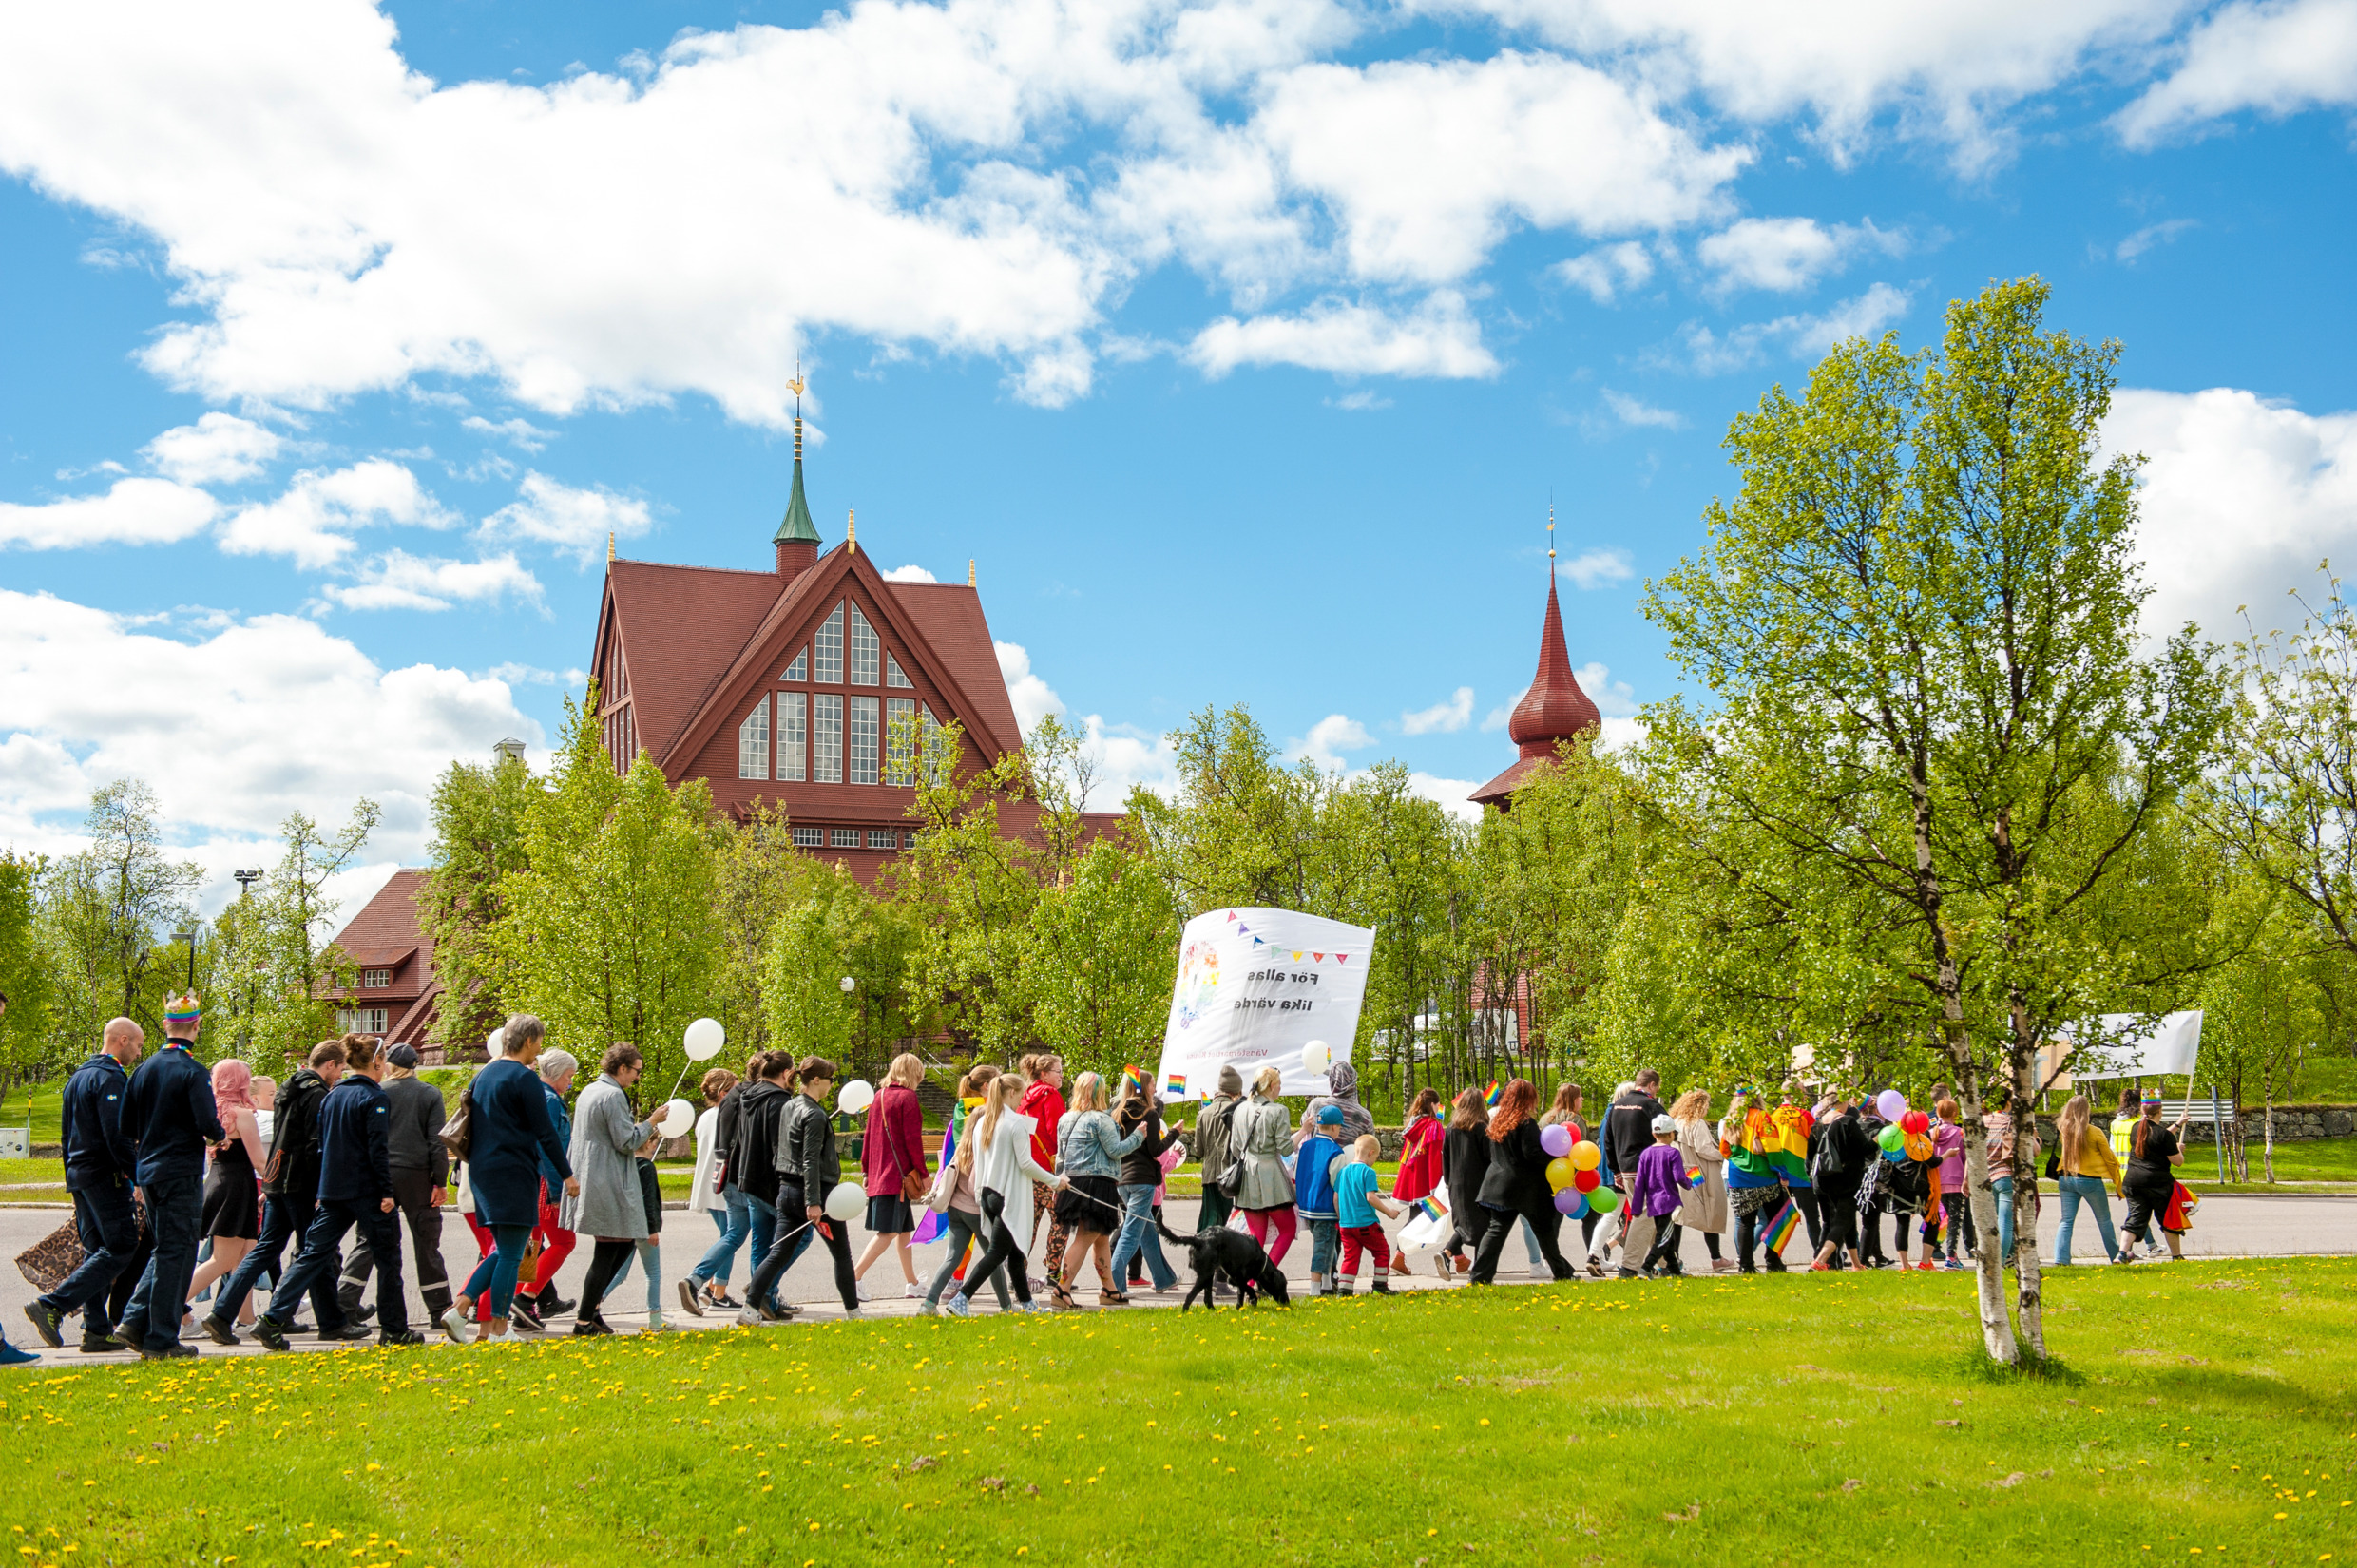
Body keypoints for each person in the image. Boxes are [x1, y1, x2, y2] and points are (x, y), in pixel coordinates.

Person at [252, 1036, 423, 1348]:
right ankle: (394, 1328)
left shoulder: (332, 1096)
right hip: (367, 1190)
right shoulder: (374, 1098)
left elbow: (322, 1146)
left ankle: (272, 1319)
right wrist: (386, 1191)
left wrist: (322, 1187)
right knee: (388, 1259)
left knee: (312, 1255)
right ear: (378, 1062)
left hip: (333, 1190)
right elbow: (377, 1150)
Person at [442, 1015, 576, 1345]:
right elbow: (546, 1135)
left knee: (500, 1251)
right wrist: (567, 1176)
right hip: (514, 1171)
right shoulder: (524, 1078)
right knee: (513, 1255)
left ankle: (462, 1312)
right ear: (529, 1041)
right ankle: (499, 1327)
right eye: (539, 1041)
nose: (540, 1049)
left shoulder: (484, 1074)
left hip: (482, 1171)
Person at [205, 1042, 351, 1343]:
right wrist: (324, 1186)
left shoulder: (288, 1088)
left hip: (277, 1179)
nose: (339, 1075)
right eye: (339, 1068)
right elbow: (315, 1145)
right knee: (316, 1249)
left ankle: (221, 1315)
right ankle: (316, 1320)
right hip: (301, 1183)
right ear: (329, 1065)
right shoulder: (316, 1094)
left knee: (266, 1249)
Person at [23, 1018, 147, 1354]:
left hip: (81, 1175)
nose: (139, 1052)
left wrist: (71, 1175)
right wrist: (137, 1175)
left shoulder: (78, 1077)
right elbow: (117, 1135)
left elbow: (66, 1135)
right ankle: (52, 1305)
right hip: (105, 1176)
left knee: (97, 1252)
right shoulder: (109, 1077)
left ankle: (96, 1329)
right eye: (137, 1045)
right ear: (122, 1040)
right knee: (120, 1247)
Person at [113, 993, 223, 1358]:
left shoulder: (142, 1070)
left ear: (165, 1026)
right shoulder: (193, 1071)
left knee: (164, 1250)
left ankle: (132, 1320)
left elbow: (126, 1125)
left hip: (150, 1171)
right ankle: (162, 1337)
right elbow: (209, 1123)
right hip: (180, 1171)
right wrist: (220, 1137)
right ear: (197, 1025)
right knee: (178, 1253)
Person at [333, 1042, 452, 1327]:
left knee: (368, 1240)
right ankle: (438, 1309)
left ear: (389, 1065)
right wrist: (440, 1181)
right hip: (418, 1175)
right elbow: (436, 1142)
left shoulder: (377, 1092)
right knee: (426, 1242)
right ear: (414, 1067)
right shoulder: (429, 1094)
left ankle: (346, 1300)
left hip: (379, 1174)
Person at [747, 1057, 863, 1319]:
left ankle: (749, 1308)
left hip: (787, 1191)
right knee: (842, 1255)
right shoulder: (813, 1113)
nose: (832, 1086)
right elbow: (810, 1159)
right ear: (817, 1080)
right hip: (816, 1194)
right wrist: (813, 1201)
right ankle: (853, 1310)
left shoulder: (790, 1105)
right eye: (830, 1080)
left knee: (777, 1254)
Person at [945, 1073, 1066, 1316]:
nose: (1022, 1099)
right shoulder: (1015, 1124)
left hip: (988, 1193)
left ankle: (1028, 1304)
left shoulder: (983, 1122)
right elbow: (1026, 1164)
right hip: (1007, 1196)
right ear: (1011, 1093)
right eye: (1020, 1095)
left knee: (1015, 1252)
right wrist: (1056, 1181)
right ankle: (962, 1297)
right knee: (997, 1254)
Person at [562, 1043, 663, 1336]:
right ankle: (583, 1321)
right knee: (607, 1252)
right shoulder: (612, 1095)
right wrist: (651, 1122)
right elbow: (626, 1141)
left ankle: (592, 1312)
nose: (637, 1077)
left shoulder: (591, 1091)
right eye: (636, 1071)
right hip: (608, 1182)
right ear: (621, 1068)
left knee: (622, 1244)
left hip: (595, 1177)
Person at [1049, 1071, 1142, 1309]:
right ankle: (1062, 1289)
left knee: (1101, 1237)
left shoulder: (1065, 1118)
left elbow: (1061, 1154)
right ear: (1100, 1093)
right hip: (1097, 1184)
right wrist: (1138, 1136)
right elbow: (1116, 1151)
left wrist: (1057, 1183)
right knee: (1085, 1237)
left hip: (1071, 1182)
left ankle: (1109, 1289)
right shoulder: (1102, 1120)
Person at [1469, 1080, 1575, 1285]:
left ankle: (1480, 1277)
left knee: (1496, 1231)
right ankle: (1562, 1272)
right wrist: (1558, 1158)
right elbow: (1532, 1154)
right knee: (1544, 1231)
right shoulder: (1526, 1123)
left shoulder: (1498, 1122)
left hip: (1499, 1185)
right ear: (1527, 1099)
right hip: (1525, 1189)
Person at [186, 1059, 268, 1322]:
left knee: (244, 1257)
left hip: (218, 1180)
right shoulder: (242, 1115)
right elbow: (259, 1160)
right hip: (237, 1186)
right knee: (222, 1259)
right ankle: (165, 1308)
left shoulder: (212, 1111)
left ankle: (245, 1319)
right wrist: (279, 1182)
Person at [729, 1054, 801, 1323]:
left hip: (748, 1179)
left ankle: (765, 1298)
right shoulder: (781, 1101)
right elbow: (780, 1147)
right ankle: (762, 1288)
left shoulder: (748, 1095)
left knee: (761, 1242)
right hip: (772, 1182)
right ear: (785, 1073)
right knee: (800, 1236)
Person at [512, 1049, 581, 1328]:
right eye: (569, 1076)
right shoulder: (551, 1101)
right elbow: (548, 1147)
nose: (571, 1083)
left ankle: (520, 1303)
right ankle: (526, 1299)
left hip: (530, 1179)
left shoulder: (535, 1095)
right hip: (547, 1181)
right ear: (555, 1074)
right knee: (565, 1242)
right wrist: (557, 1189)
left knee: (532, 1244)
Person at [853, 1053, 931, 1302]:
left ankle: (912, 1283)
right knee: (887, 1232)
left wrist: (866, 1169)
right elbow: (912, 1141)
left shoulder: (880, 1095)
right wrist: (924, 1173)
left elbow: (869, 1135)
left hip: (880, 1173)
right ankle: (853, 1279)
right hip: (897, 1178)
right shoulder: (908, 1098)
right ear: (914, 1073)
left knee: (903, 1231)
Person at [1107, 1078, 1185, 1296]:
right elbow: (1155, 1150)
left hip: (1123, 1180)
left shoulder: (1117, 1112)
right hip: (1142, 1181)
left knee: (1147, 1231)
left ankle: (1163, 1279)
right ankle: (1115, 1285)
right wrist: (1175, 1133)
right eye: (1152, 1084)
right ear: (1143, 1088)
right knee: (1132, 1233)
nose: (1155, 1088)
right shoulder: (1149, 1114)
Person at [681, 1066, 745, 1315]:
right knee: (731, 1238)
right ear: (723, 1093)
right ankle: (716, 1291)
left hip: (709, 1183)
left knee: (727, 1236)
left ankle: (712, 1287)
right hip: (723, 1184)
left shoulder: (706, 1117)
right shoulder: (727, 1115)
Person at [1230, 1066, 1299, 1266]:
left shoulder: (1240, 1109)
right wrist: (1303, 1133)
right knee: (1288, 1229)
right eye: (1279, 1085)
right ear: (1271, 1086)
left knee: (1256, 1235)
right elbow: (1286, 1149)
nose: (1280, 1089)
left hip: (1247, 1179)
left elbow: (1235, 1148)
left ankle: (1250, 1282)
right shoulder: (1278, 1111)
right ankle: (1267, 1275)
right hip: (1272, 1178)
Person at [2117, 1090, 2191, 1263]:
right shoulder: (2164, 1136)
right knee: (2168, 1218)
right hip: (2157, 1183)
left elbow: (2157, 1135)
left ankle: (2121, 1254)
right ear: (2160, 1111)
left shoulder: (2137, 1128)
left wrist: (2177, 1124)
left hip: (2133, 1181)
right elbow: (2178, 1161)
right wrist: (2178, 1149)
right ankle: (2177, 1256)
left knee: (2136, 1217)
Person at [2051, 1092, 2122, 1266]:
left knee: (2066, 1220)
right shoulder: (2095, 1132)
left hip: (2066, 1178)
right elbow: (2110, 1159)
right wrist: (2118, 1184)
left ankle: (2061, 1259)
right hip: (2090, 1180)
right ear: (2087, 1111)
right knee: (2104, 1220)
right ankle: (2116, 1256)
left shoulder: (2064, 1129)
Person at [1017, 1054, 1067, 1282]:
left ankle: (1019, 1271)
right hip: (1047, 1170)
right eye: (1058, 1071)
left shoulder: (1024, 1097)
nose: (1062, 1075)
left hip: (1026, 1169)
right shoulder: (1051, 1095)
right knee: (1061, 1221)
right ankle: (1053, 1271)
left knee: (1028, 1225)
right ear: (1044, 1074)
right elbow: (1057, 1132)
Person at [1668, 1088, 1729, 1273]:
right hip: (1698, 1172)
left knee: (1678, 1216)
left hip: (1680, 1171)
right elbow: (1704, 1149)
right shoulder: (1697, 1124)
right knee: (1710, 1209)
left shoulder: (1675, 1122)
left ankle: (1675, 1257)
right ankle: (1716, 1257)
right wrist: (1723, 1155)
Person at [1333, 1134, 1403, 1294]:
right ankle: (1380, 1286)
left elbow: (1336, 1198)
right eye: (1376, 1157)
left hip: (1346, 1225)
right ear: (1371, 1153)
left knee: (1350, 1257)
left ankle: (1344, 1290)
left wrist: (1340, 1217)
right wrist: (1389, 1212)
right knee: (1382, 1251)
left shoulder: (1343, 1172)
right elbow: (1370, 1197)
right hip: (1366, 1224)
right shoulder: (1368, 1172)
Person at [1808, 1094, 1870, 1272]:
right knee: (1843, 1221)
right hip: (1847, 1180)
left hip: (1825, 1181)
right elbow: (1865, 1149)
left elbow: (1810, 1156)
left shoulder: (1817, 1124)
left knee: (1847, 1221)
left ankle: (1857, 1265)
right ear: (1840, 1103)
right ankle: (1820, 1260)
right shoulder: (1847, 1122)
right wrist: (1878, 1139)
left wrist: (1812, 1178)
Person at [1623, 1116, 1688, 1278]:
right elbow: (1679, 1177)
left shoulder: (1646, 1154)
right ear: (1672, 1134)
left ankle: (1675, 1271)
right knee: (1663, 1239)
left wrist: (1636, 1208)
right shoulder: (1673, 1153)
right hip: (1668, 1202)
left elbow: (1640, 1184)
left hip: (1653, 1202)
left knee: (1668, 1238)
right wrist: (1690, 1182)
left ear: (1653, 1134)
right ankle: (1646, 1267)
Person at [1390, 1086, 1446, 1278]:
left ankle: (1400, 1256)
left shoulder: (1414, 1125)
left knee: (1423, 1218)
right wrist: (1436, 1185)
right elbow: (1434, 1158)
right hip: (1427, 1182)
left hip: (1414, 1180)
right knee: (1441, 1218)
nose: (1439, 1107)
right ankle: (1455, 1256)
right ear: (1432, 1105)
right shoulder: (1434, 1126)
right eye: (1438, 1104)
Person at [1294, 1105, 1348, 1296]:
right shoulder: (1336, 1152)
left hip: (1307, 1204)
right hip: (1325, 1207)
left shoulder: (1306, 1147)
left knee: (1326, 1244)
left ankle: (1326, 1284)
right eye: (1340, 1127)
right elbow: (1337, 1183)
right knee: (1323, 1248)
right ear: (1334, 1128)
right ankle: (1315, 1289)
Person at [1442, 1087, 1491, 1278]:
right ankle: (1479, 1267)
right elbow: (1489, 1158)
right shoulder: (1481, 1128)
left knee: (1463, 1223)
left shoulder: (1451, 1127)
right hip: (1479, 1183)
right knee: (1484, 1225)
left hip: (1456, 1182)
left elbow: (1445, 1155)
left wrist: (1448, 1180)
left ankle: (1446, 1253)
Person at [1296, 1061, 1374, 1146]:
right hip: (1349, 1159)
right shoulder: (1366, 1117)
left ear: (1332, 1080)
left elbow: (1304, 1124)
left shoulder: (1316, 1105)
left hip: (1316, 1157)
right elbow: (1370, 1146)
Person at [1983, 1090, 2019, 1267]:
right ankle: (2000, 1262)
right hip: (2004, 1175)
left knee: (1994, 1222)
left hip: (1986, 1176)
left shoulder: (1984, 1121)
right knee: (2005, 1222)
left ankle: (2004, 1259)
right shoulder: (2009, 1122)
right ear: (2008, 1102)